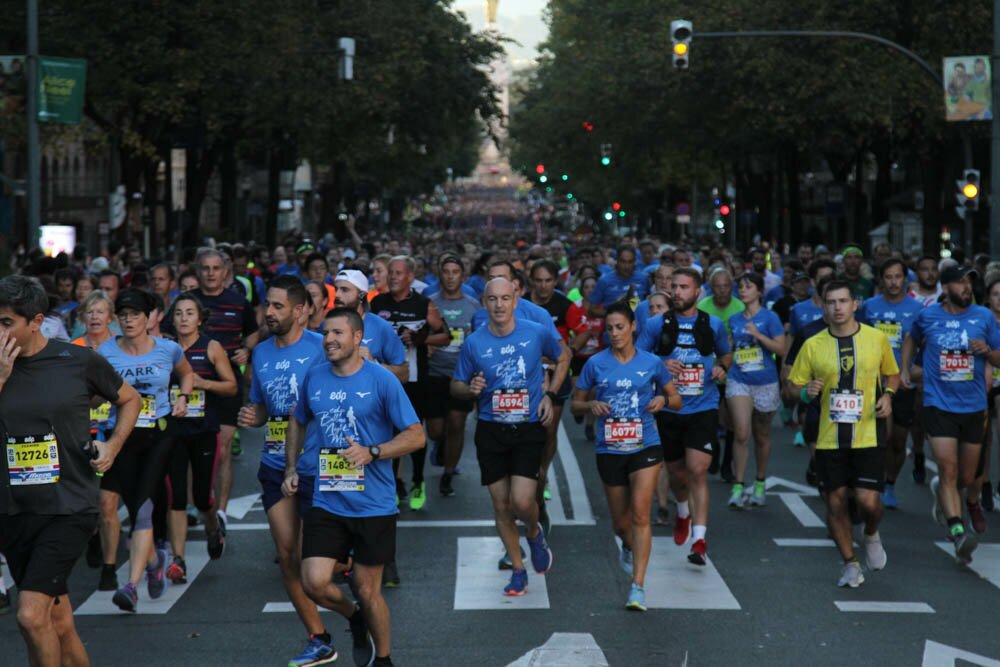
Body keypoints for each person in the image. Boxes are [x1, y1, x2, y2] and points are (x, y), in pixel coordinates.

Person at [0, 275, 140, 666]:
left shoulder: (76, 360)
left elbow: (131, 400)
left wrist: (112, 447)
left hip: (67, 507)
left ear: (36, 321)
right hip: (12, 510)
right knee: (57, 621)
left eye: (6, 322)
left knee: (30, 614)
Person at [288, 307, 426, 667]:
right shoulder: (314, 377)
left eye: (337, 333)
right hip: (327, 496)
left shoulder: (381, 380)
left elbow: (416, 436)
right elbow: (297, 420)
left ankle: (383, 659)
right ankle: (355, 618)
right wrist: (292, 465)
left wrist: (373, 452)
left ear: (357, 338)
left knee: (368, 590)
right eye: (325, 333)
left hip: (374, 503)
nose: (329, 340)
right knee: (313, 582)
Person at [237, 275, 334, 666]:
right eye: (267, 306)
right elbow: (264, 406)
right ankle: (319, 636)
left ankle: (352, 611)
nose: (269, 313)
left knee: (321, 560)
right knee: (288, 556)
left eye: (277, 307)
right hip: (276, 464)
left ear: (300, 310)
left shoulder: (322, 348)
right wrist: (254, 415)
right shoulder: (260, 353)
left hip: (318, 465)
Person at [451, 277, 569, 595]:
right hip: (491, 428)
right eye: (493, 299)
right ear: (485, 303)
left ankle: (533, 531)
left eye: (505, 298)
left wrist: (551, 393)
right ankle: (519, 569)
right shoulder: (475, 343)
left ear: (515, 300)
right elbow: (457, 385)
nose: (499, 305)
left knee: (521, 500)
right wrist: (469, 388)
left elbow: (564, 356)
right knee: (501, 506)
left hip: (528, 427)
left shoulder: (535, 333)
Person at [788, 279, 899, 587]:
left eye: (842, 301)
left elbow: (892, 373)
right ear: (824, 306)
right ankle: (850, 562)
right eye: (831, 302)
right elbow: (792, 387)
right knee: (835, 502)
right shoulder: (813, 345)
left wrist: (888, 394)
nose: (837, 307)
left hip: (868, 434)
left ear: (855, 304)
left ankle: (871, 534)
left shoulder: (876, 339)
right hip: (828, 437)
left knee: (869, 503)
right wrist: (806, 393)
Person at [571, 301, 681, 611]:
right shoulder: (595, 363)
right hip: (610, 449)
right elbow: (575, 404)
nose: (615, 333)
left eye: (620, 327)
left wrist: (662, 398)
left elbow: (677, 399)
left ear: (633, 326)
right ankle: (628, 546)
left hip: (645, 444)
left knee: (640, 514)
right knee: (621, 524)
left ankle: (638, 586)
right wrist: (590, 406)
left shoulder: (651, 362)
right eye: (610, 328)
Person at [97, 288, 195, 611]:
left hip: (160, 434)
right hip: (122, 437)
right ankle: (154, 562)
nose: (128, 320)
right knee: (133, 503)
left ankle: (131, 586)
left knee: (142, 509)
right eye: (122, 315)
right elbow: (94, 392)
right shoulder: (106, 352)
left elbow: (186, 374)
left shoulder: (167, 349)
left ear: (149, 317)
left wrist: (182, 397)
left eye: (135, 314)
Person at [901, 266, 1000, 564]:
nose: (966, 287)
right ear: (945, 289)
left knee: (969, 476)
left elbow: (999, 354)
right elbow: (910, 338)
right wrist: (905, 368)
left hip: (973, 405)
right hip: (938, 403)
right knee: (949, 469)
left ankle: (948, 499)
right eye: (959, 282)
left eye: (969, 281)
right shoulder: (928, 315)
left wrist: (987, 351)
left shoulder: (983, 317)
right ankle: (958, 531)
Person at [637, 267, 731, 565]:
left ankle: (699, 539)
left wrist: (721, 369)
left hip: (703, 406)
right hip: (669, 408)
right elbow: (638, 359)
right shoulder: (655, 325)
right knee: (678, 475)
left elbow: (726, 355)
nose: (677, 292)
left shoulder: (713, 324)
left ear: (697, 291)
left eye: (684, 287)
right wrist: (663, 363)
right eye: (674, 287)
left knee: (698, 470)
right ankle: (682, 511)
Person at [183, 248, 259, 532]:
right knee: (190, 447)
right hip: (193, 385)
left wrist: (246, 349)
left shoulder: (238, 301)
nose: (211, 273)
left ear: (225, 271)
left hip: (228, 385)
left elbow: (252, 331)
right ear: (197, 271)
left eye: (216, 268)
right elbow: (165, 334)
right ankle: (192, 505)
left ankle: (223, 511)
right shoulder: (186, 302)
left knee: (223, 448)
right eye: (205, 268)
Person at [165, 293, 236, 584]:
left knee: (203, 496)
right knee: (177, 495)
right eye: (179, 313)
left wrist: (201, 382)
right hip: (173, 432)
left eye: (189, 313)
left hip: (205, 430)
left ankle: (211, 528)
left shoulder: (211, 347)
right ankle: (178, 560)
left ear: (200, 318)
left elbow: (232, 386)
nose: (183, 318)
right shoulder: (164, 349)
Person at [371, 256, 448, 513]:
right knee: (389, 432)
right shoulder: (378, 303)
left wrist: (421, 338)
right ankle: (393, 483)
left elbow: (446, 336)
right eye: (391, 272)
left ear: (410, 277)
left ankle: (417, 479)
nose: (393, 277)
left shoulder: (424, 304)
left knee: (413, 430)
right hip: (385, 377)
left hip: (416, 378)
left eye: (398, 273)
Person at [857, 258, 924, 510]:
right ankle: (872, 482)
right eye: (888, 277)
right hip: (875, 381)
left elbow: (923, 344)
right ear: (881, 280)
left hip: (904, 382)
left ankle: (890, 482)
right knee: (880, 437)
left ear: (904, 280)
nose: (893, 282)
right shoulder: (870, 307)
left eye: (898, 277)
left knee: (898, 440)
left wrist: (916, 372)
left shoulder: (918, 309)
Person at [526, 259, 588, 530]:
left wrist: (568, 350)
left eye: (548, 281)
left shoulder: (564, 305)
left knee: (549, 430)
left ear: (555, 282)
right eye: (538, 281)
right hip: (528, 375)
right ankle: (529, 475)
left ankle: (542, 473)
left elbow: (584, 331)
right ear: (531, 282)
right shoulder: (522, 305)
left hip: (556, 375)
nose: (543, 286)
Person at [725, 273, 785, 509]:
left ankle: (760, 482)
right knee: (741, 433)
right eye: (740, 286)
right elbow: (730, 347)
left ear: (759, 291)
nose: (743, 290)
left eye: (748, 286)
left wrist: (759, 335)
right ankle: (738, 486)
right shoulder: (734, 319)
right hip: (739, 379)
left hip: (765, 381)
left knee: (762, 436)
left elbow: (781, 350)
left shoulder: (770, 318)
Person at [426, 255, 480, 497]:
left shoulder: (474, 305)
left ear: (463, 276)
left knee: (457, 423)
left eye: (455, 272)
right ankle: (441, 444)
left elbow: (480, 339)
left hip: (461, 374)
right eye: (445, 271)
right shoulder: (429, 302)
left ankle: (447, 474)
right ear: (440, 275)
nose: (450, 276)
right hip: (434, 373)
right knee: (436, 430)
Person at [697, 267, 744, 480]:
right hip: (709, 370)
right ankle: (714, 452)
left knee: (733, 419)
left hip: (734, 370)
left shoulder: (740, 307)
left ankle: (727, 464)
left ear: (731, 288)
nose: (722, 290)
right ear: (711, 288)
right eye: (718, 286)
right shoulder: (702, 307)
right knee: (712, 416)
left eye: (726, 286)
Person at [587, 246, 649, 317]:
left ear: (635, 262)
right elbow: (592, 310)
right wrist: (614, 311)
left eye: (630, 262)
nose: (626, 266)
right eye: (623, 261)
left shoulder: (643, 279)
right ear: (617, 261)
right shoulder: (604, 281)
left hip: (639, 326)